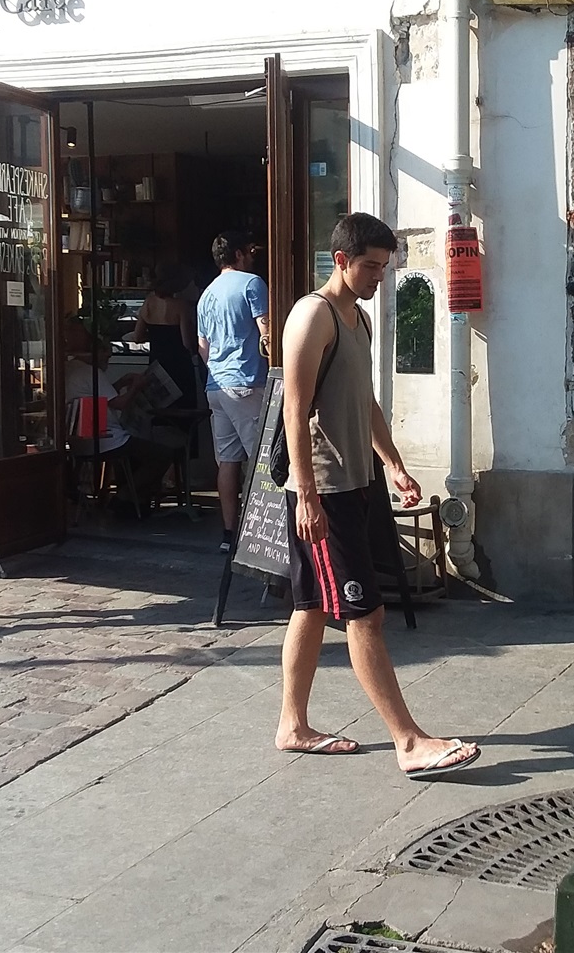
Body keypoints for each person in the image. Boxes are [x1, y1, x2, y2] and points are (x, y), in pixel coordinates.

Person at [276, 212, 479, 777]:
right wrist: (308, 497)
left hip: (358, 483)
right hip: (326, 491)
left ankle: (292, 725)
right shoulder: (311, 317)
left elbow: (363, 403)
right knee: (365, 613)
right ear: (340, 260)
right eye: (370, 266)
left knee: (313, 606)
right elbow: (295, 412)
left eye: (384, 268)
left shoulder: (357, 320)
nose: (378, 278)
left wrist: (393, 464)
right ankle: (408, 741)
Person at [196, 231, 269, 553]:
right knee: (261, 460)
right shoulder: (251, 283)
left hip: (216, 385)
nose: (253, 256)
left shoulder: (206, 295)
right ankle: (263, 532)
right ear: (239, 254)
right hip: (247, 380)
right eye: (250, 251)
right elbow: (266, 332)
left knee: (227, 461)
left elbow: (202, 347)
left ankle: (229, 533)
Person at [63, 318, 179, 514]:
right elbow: (120, 403)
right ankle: (125, 495)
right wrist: (136, 387)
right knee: (163, 454)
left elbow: (100, 396)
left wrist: (122, 382)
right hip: (105, 440)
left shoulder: (70, 369)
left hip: (79, 440)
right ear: (96, 355)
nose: (107, 363)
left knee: (137, 446)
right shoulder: (92, 374)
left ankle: (132, 498)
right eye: (106, 358)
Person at [133, 263, 198, 411]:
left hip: (156, 363)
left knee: (159, 410)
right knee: (184, 412)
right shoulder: (181, 306)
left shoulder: (148, 303)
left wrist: (156, 336)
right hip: (178, 365)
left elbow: (137, 337)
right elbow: (187, 342)